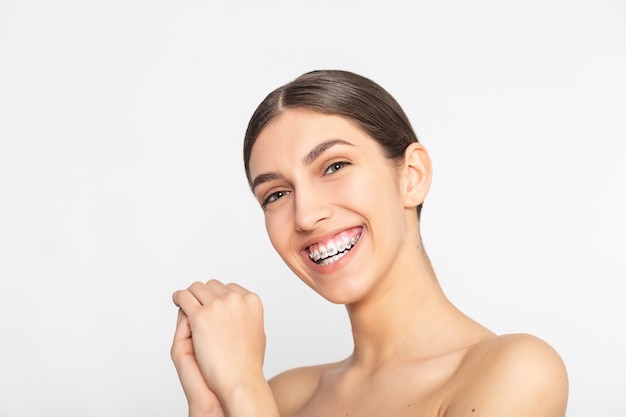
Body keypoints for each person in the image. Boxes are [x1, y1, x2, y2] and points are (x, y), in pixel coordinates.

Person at [171, 70, 569, 417]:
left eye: (335, 166)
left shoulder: (516, 371)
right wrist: (211, 407)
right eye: (276, 194)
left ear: (411, 175)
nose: (305, 215)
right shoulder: (284, 396)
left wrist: (243, 388)